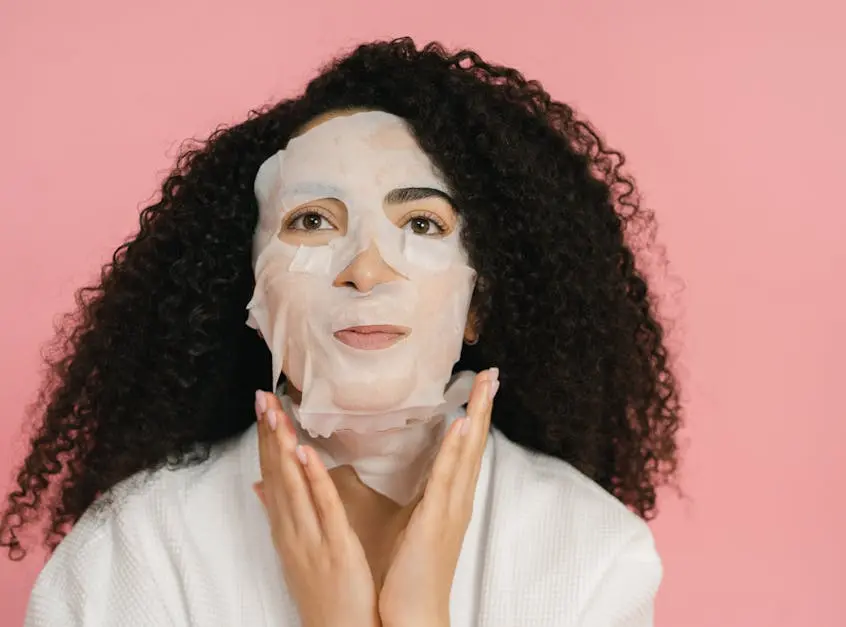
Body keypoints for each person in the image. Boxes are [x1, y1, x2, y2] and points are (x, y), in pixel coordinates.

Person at [2, 38, 682, 626]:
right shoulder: (132, 550)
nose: (365, 267)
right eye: (313, 221)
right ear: (253, 288)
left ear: (479, 301)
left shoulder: (590, 555)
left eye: (421, 224)